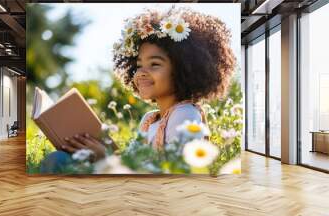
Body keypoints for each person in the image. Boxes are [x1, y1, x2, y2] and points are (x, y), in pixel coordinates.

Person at [40, 6, 236, 173]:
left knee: (58, 162)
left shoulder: (185, 114)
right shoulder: (149, 119)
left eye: (155, 64)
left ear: (184, 69)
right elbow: (129, 163)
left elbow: (174, 171)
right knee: (59, 158)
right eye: (139, 64)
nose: (141, 72)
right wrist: (100, 151)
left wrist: (104, 158)